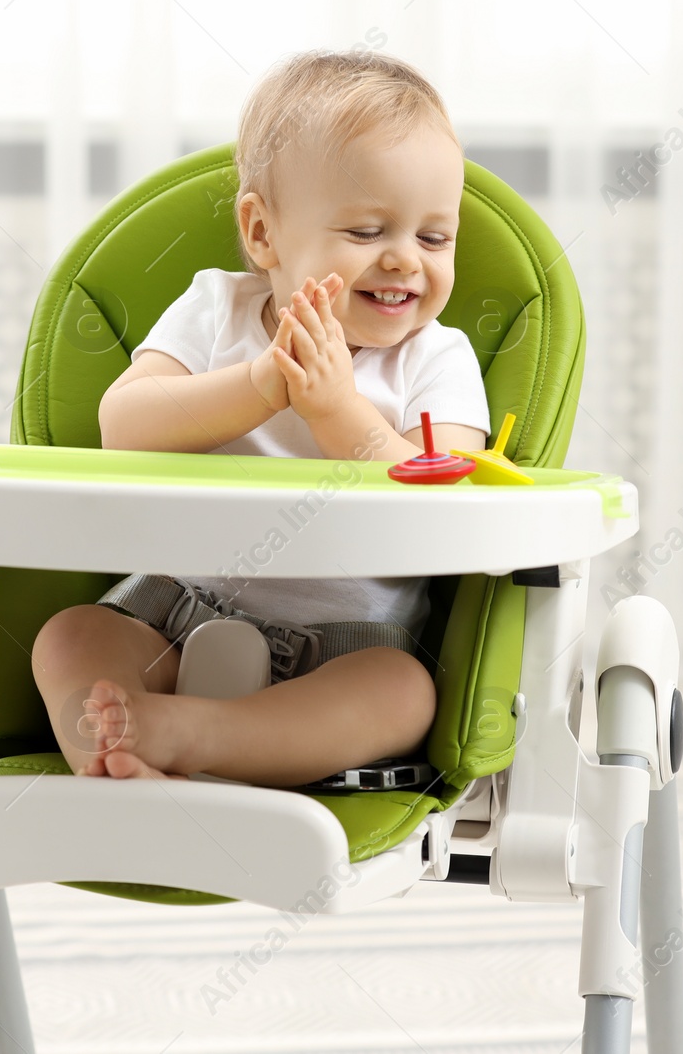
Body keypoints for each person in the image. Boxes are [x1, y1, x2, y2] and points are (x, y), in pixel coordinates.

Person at [31, 49, 490, 785]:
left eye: (434, 238)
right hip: (176, 614)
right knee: (70, 636)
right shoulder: (218, 309)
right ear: (263, 233)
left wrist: (337, 412)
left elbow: (443, 505)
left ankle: (190, 736)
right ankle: (113, 759)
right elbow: (126, 424)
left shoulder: (438, 358)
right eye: (369, 232)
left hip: (341, 651)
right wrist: (260, 383)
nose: (406, 260)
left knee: (405, 693)